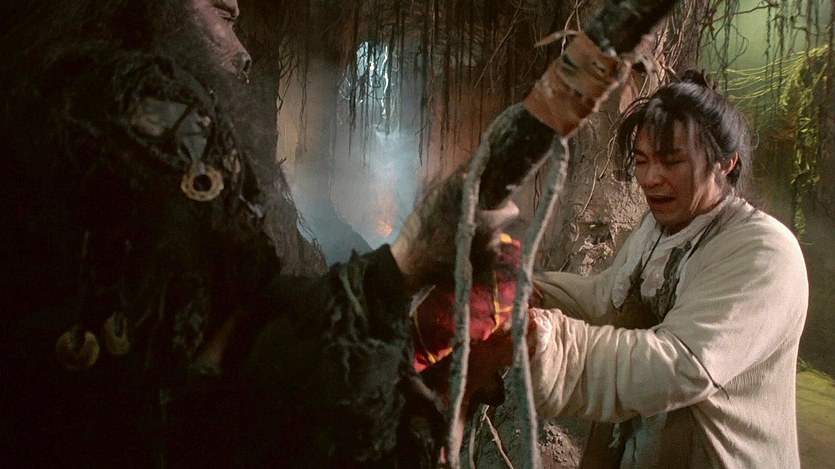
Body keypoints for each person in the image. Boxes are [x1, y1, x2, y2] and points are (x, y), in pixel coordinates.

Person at [0, 1, 518, 467]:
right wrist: (409, 260)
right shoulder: (129, 108)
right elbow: (233, 392)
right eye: (221, 15)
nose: (243, 51)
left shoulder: (67, 96)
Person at [497, 69, 808, 468]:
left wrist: (541, 339)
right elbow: (606, 299)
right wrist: (522, 288)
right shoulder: (657, 228)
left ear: (725, 163)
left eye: (671, 161)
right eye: (642, 161)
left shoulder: (763, 252)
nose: (649, 178)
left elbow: (680, 364)